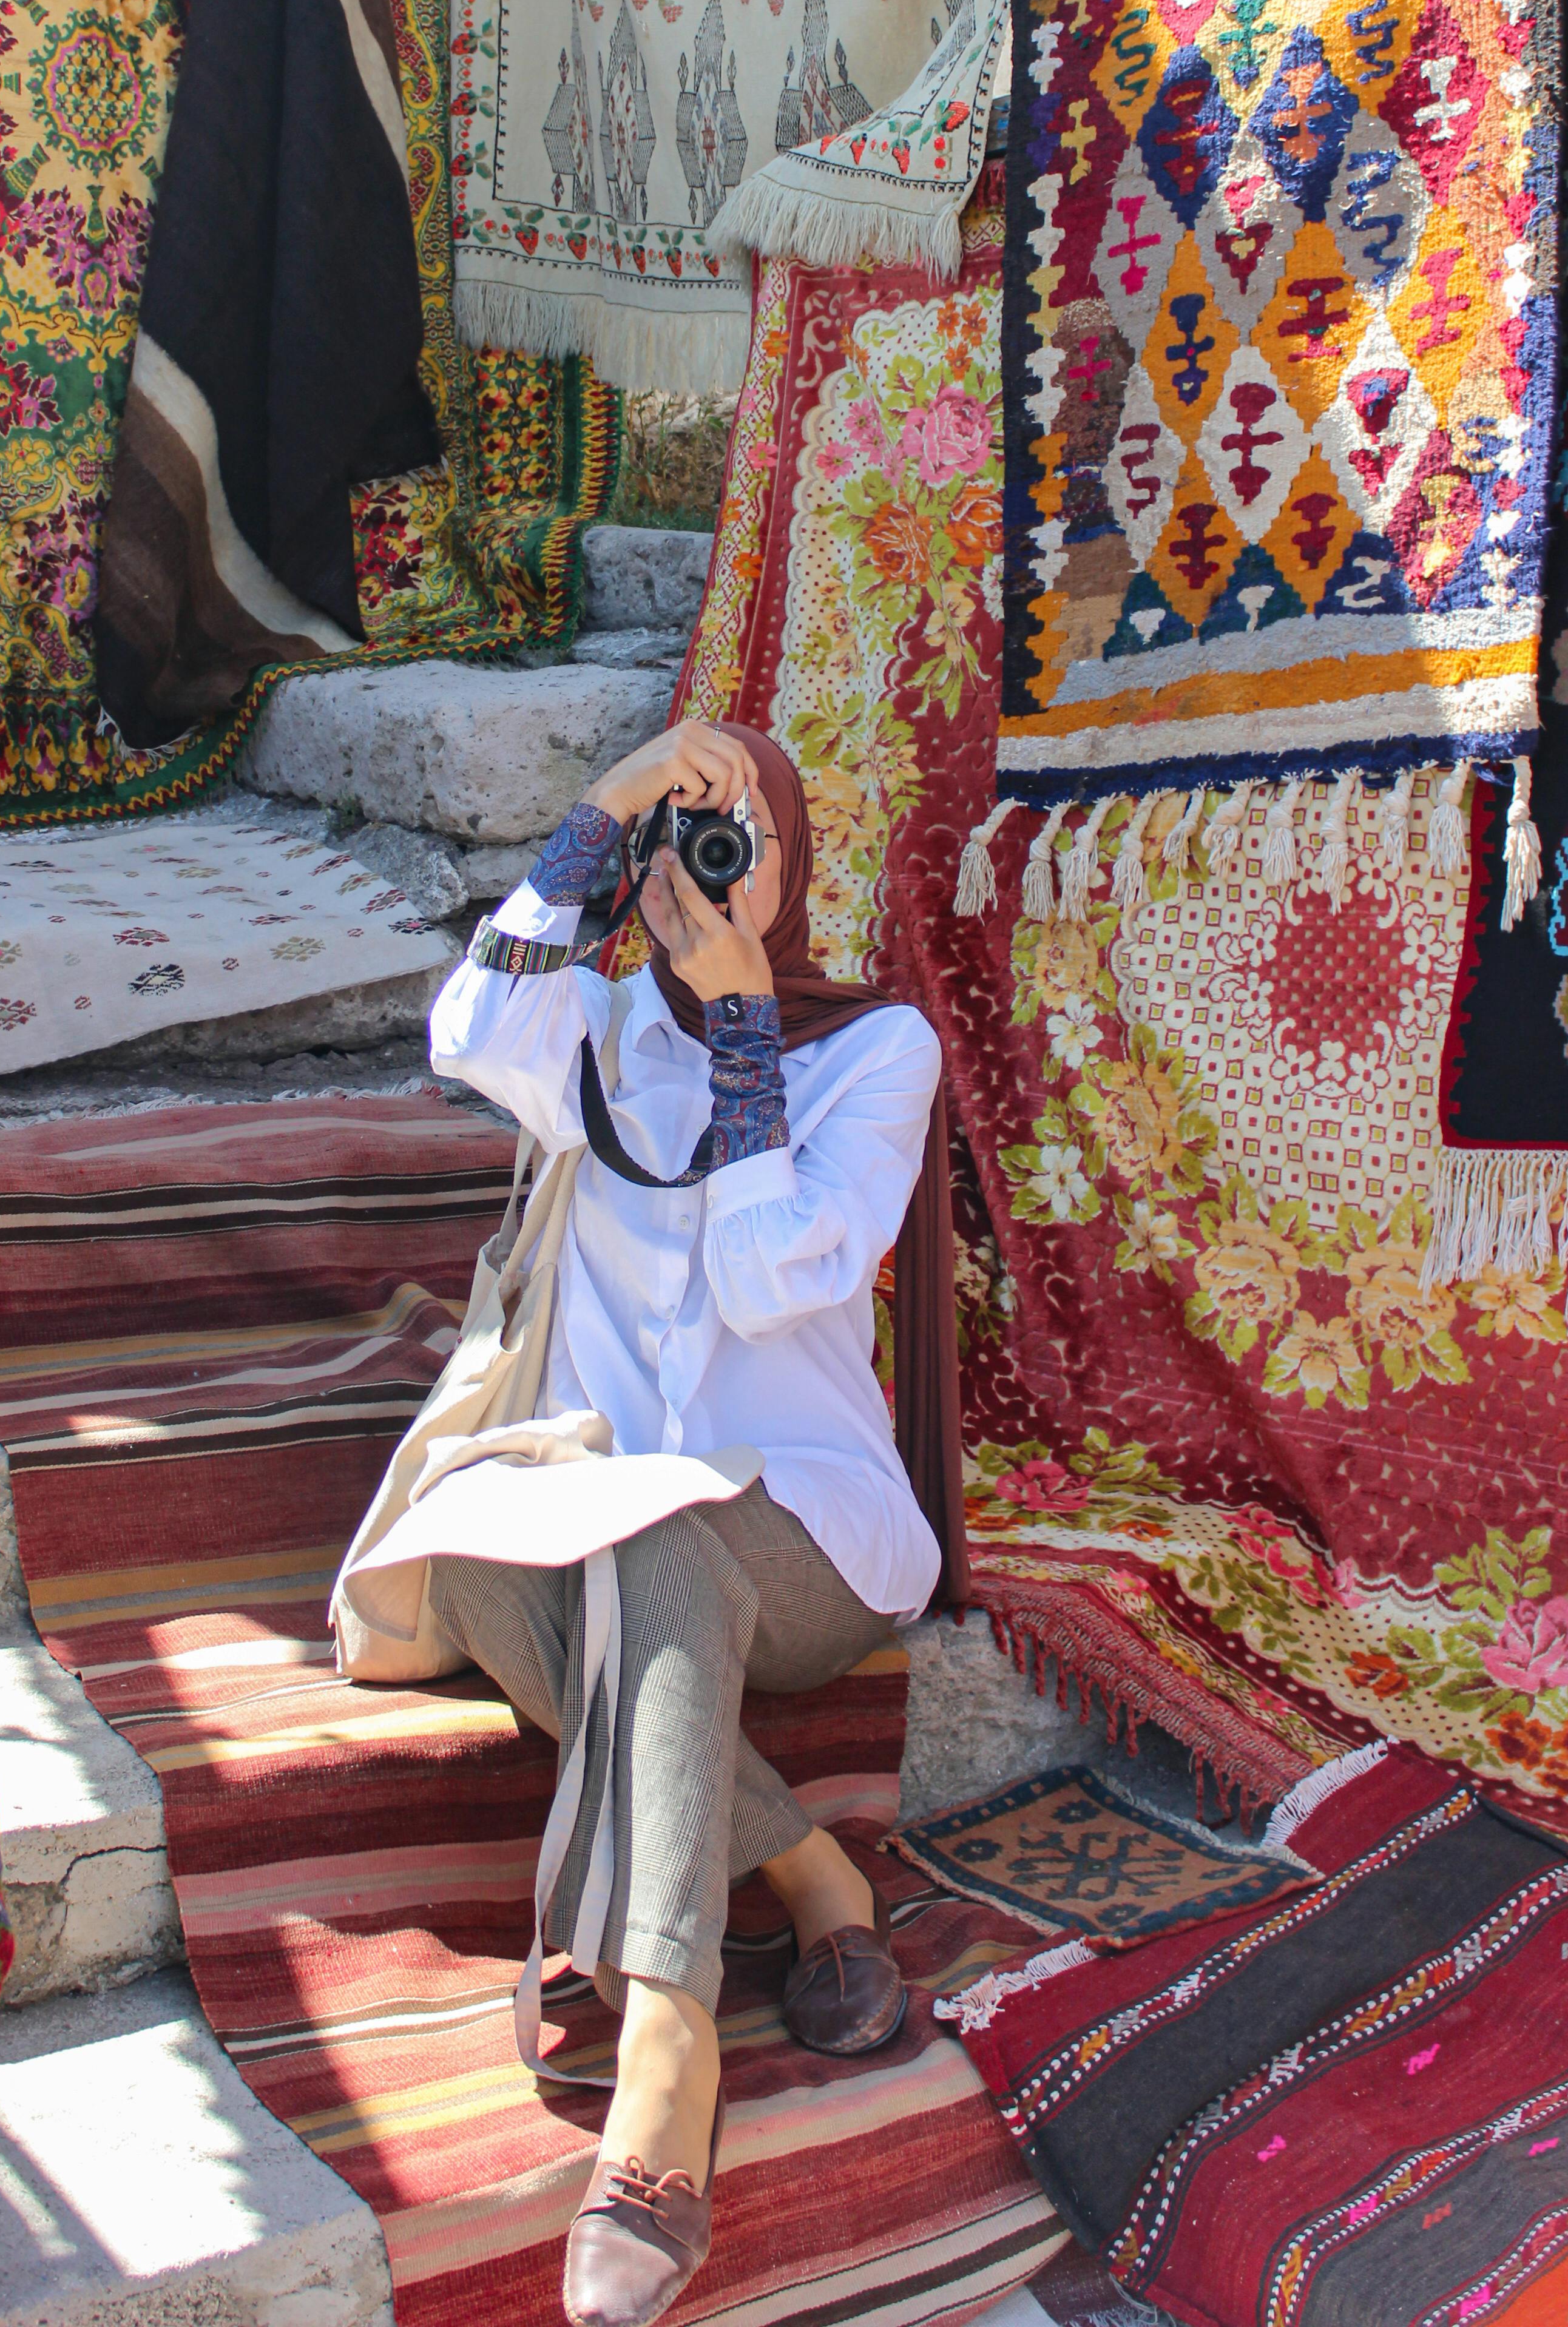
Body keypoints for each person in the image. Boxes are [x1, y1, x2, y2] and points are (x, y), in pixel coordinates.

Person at [425, 718, 946, 2327]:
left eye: (742, 839)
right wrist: (610, 801)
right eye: (685, 842)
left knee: (651, 1536)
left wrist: (739, 1038)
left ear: (792, 868)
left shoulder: (874, 1053)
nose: (711, 867)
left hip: (806, 1536)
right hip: (609, 1525)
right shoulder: (589, 1035)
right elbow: (466, 1021)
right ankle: (806, 1877)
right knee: (471, 1560)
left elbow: (764, 1273)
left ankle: (668, 2047)